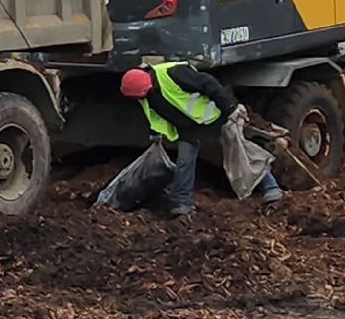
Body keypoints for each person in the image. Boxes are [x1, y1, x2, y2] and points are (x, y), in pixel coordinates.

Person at [120, 61, 283, 217]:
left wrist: (229, 108)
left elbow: (208, 83)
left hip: (216, 116)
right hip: (189, 128)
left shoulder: (174, 73)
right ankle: (182, 203)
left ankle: (270, 187)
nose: (142, 99)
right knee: (184, 162)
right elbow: (153, 114)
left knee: (241, 152)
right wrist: (155, 132)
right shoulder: (144, 93)